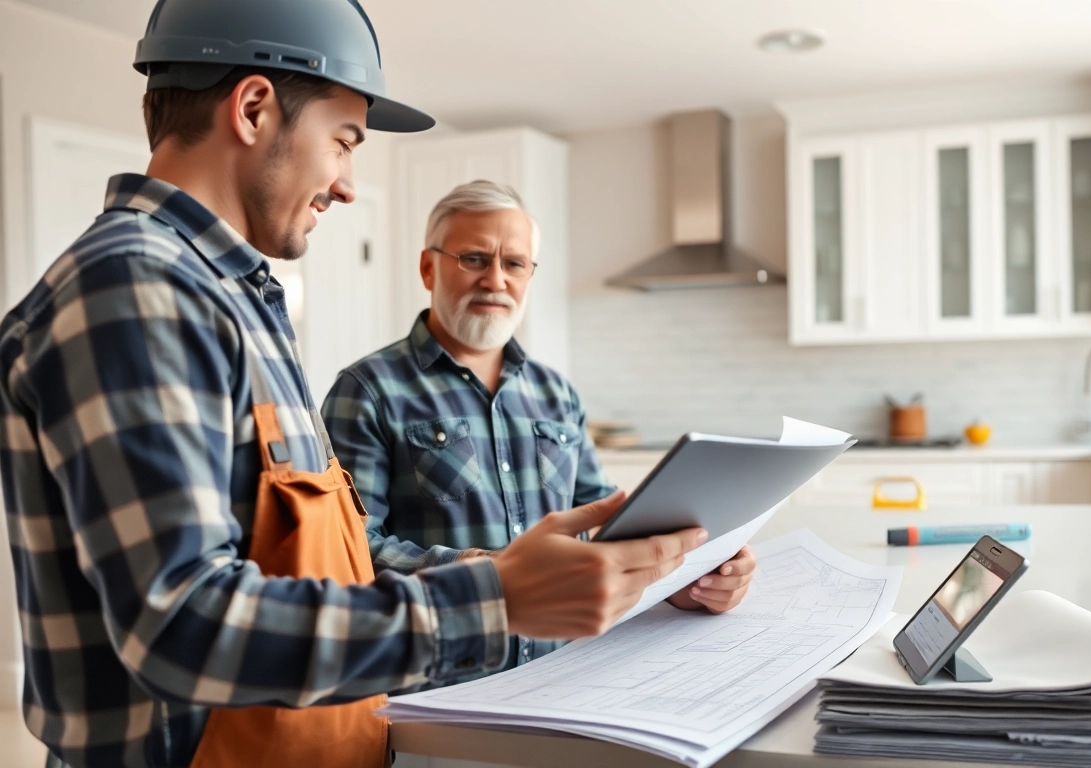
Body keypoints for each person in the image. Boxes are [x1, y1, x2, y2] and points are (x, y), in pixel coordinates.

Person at [0, 2, 704, 766]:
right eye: (343, 142)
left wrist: (519, 572)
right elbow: (181, 625)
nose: (348, 186)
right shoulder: (137, 288)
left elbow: (324, 562)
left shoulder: (225, 296)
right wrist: (497, 602)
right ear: (255, 108)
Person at [321, 180, 757, 676]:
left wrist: (687, 577)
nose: (495, 280)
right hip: (441, 690)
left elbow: (606, 531)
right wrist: (494, 577)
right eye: (474, 259)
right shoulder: (367, 390)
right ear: (428, 267)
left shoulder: (557, 394)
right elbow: (347, 549)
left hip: (564, 677)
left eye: (514, 264)